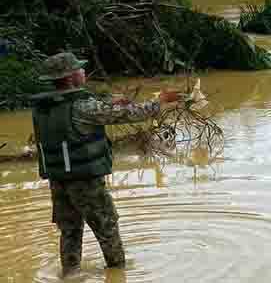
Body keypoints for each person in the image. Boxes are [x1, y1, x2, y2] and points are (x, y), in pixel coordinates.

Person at [30, 52, 181, 274]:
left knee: (70, 231)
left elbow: (81, 116)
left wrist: (110, 103)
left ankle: (70, 275)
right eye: (79, 69)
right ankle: (118, 273)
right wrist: (160, 101)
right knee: (107, 227)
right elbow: (133, 113)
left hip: (58, 180)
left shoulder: (44, 107)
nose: (84, 71)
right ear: (71, 77)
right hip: (85, 181)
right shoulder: (84, 107)